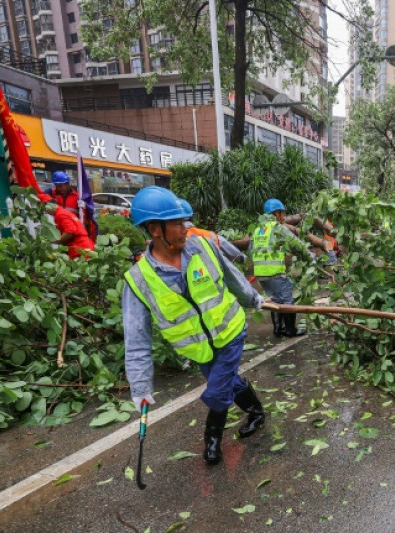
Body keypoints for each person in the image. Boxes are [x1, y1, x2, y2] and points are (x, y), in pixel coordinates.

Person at [122, 186, 266, 465]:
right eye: (177, 223)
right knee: (226, 382)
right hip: (199, 349)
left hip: (231, 332)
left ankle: (212, 439)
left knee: (218, 390)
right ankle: (257, 411)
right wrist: (140, 388)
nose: (186, 227)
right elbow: (136, 339)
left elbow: (232, 276)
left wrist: (254, 300)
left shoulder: (202, 246)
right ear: (155, 229)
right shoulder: (138, 280)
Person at [251, 198, 313, 337]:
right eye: (282, 213)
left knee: (275, 299)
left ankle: (278, 329)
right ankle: (291, 330)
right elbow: (297, 244)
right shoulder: (278, 228)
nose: (284, 217)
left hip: (261, 275)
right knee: (287, 299)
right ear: (276, 213)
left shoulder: (258, 230)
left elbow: (251, 250)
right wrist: (311, 258)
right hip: (275, 273)